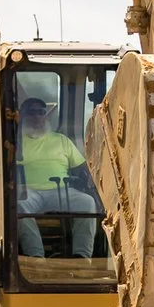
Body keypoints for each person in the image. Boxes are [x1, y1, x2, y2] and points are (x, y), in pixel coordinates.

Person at [15, 95, 99, 258]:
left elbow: (82, 168)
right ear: (23, 116)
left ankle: (81, 257)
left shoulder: (62, 140)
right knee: (18, 206)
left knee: (87, 202)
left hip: (61, 192)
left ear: (46, 116)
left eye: (41, 112)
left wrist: (90, 177)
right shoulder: (14, 143)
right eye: (31, 113)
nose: (37, 117)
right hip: (28, 193)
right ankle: (36, 256)